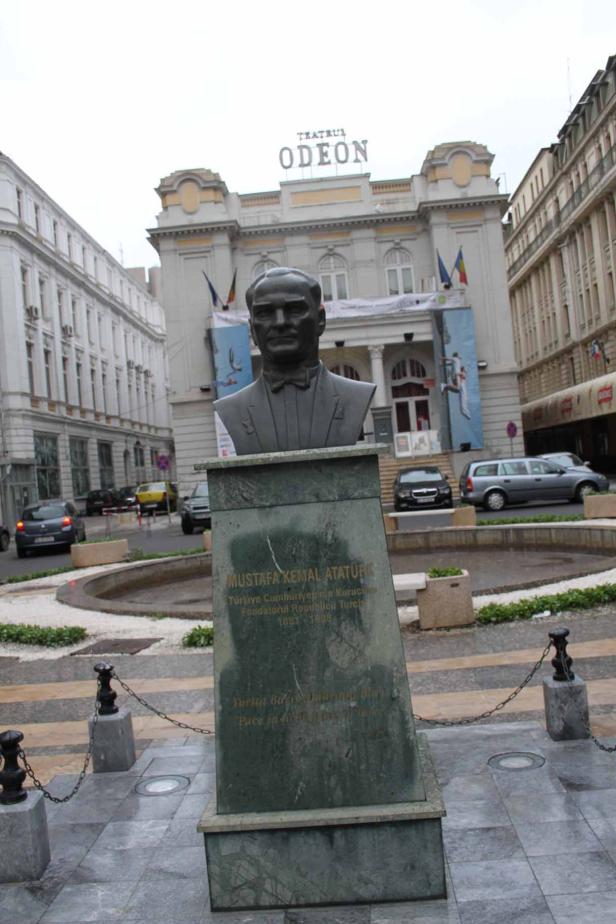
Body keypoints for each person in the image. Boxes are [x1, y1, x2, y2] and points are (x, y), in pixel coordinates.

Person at [214, 267, 375, 453]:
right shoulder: (233, 409)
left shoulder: (355, 397)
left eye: (295, 310)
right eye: (265, 313)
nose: (280, 322)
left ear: (320, 320)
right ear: (252, 330)